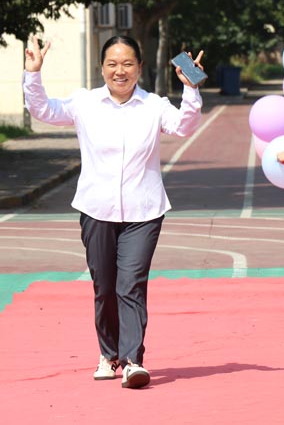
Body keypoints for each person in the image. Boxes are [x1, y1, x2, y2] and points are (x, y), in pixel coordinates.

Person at [22, 35, 204, 389]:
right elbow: (43, 110)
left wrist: (191, 88)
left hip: (144, 211)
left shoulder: (154, 105)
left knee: (130, 285)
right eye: (113, 64)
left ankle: (133, 360)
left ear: (139, 67)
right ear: (102, 67)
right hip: (96, 209)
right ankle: (109, 354)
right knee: (104, 287)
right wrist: (33, 73)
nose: (120, 71)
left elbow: (184, 126)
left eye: (128, 64)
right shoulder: (84, 102)